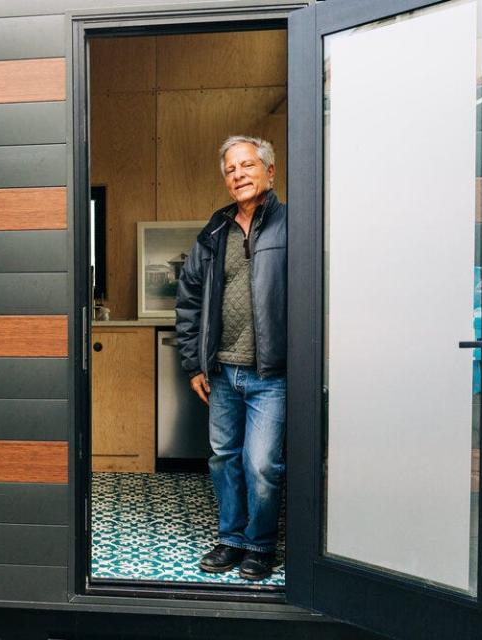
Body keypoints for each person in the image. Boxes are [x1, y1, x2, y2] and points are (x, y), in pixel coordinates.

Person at [174, 135, 287, 581]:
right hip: (222, 370)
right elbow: (188, 300)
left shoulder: (292, 224)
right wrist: (194, 364)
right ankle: (232, 538)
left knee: (261, 463)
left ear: (269, 171)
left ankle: (260, 545)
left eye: (247, 165)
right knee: (224, 457)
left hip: (271, 374)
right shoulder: (215, 230)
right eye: (230, 170)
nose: (238, 175)